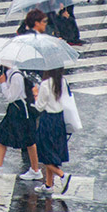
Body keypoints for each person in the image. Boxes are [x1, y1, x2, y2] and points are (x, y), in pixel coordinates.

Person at [0, 19, 42, 180]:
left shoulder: (16, 75)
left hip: (20, 110)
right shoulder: (11, 73)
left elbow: (11, 96)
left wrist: (3, 84)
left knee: (29, 141)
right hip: (15, 110)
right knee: (2, 135)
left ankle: (36, 170)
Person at [33, 67, 72, 195]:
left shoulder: (45, 84)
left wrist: (36, 95)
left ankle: (62, 175)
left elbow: (39, 107)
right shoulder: (63, 81)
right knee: (51, 152)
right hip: (59, 120)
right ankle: (48, 185)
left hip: (48, 120)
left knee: (44, 153)